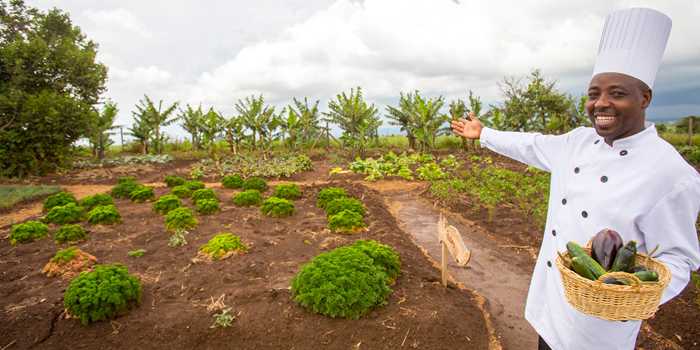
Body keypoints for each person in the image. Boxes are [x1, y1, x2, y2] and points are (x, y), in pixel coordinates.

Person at [451, 8, 700, 350]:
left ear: (645, 98)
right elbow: (531, 145)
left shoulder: (671, 174)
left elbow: (680, 259)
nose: (601, 103)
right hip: (552, 300)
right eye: (593, 93)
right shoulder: (578, 142)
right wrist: (484, 134)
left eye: (617, 93)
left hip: (600, 324)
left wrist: (637, 295)